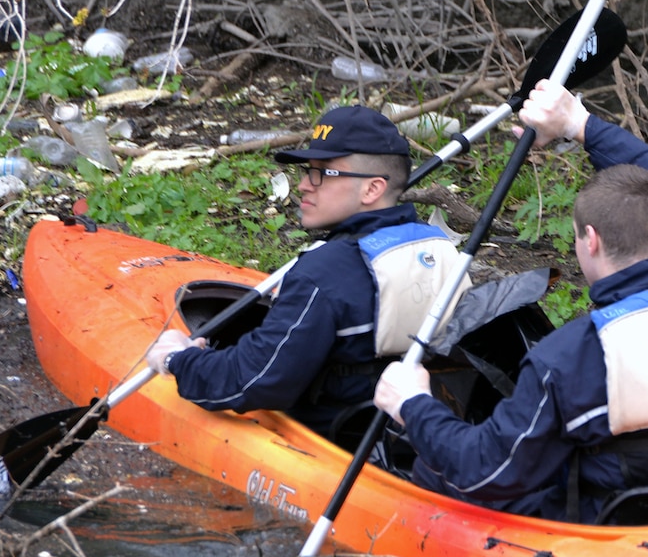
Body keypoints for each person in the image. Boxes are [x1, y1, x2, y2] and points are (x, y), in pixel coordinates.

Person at [373, 80, 648, 523]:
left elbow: (486, 471)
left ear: (589, 241)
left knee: (432, 467)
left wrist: (414, 404)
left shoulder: (568, 358)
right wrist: (580, 125)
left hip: (610, 529)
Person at [145, 104, 466, 440]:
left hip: (337, 445)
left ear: (372, 189)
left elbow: (255, 381)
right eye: (307, 171)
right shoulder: (441, 248)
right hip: (411, 434)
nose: (303, 186)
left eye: (323, 173)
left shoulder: (322, 274)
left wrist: (178, 360)